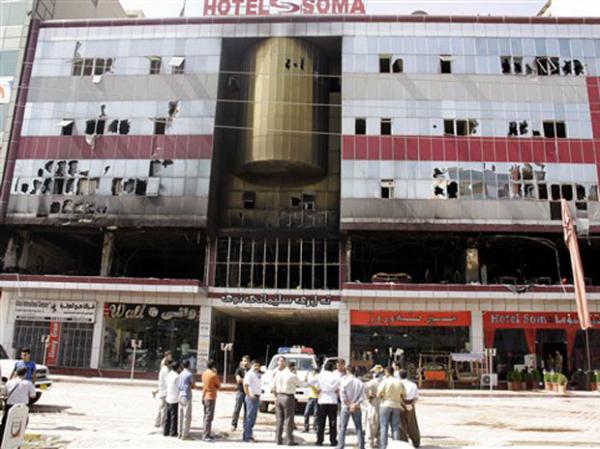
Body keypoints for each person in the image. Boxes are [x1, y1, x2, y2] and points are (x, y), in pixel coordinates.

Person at [0, 366, 36, 442]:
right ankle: (16, 443)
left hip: (10, 407)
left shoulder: (9, 382)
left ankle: (3, 442)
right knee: (21, 425)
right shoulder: (28, 383)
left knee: (6, 425)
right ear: (25, 374)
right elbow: (33, 395)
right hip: (22, 408)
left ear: (16, 373)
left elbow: (3, 393)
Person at [272, 356, 301, 446]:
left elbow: (273, 387)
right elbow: (300, 384)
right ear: (292, 367)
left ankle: (278, 439)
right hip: (288, 397)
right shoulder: (292, 375)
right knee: (289, 419)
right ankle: (289, 440)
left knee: (279, 419)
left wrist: (276, 396)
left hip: (279, 396)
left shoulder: (278, 374)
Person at [313, 360, 340, 447]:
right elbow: (341, 386)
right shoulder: (336, 376)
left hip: (322, 399)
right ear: (333, 368)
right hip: (333, 400)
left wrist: (317, 388)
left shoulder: (320, 376)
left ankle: (319, 440)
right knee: (333, 421)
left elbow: (309, 382)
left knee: (321, 422)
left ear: (324, 368)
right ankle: (333, 440)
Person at [377, 366, 405, 449]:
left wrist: (383, 397)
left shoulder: (384, 381)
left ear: (386, 372)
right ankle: (396, 446)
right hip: (396, 405)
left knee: (384, 426)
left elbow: (379, 394)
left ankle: (383, 446)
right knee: (395, 426)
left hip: (385, 404)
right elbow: (403, 394)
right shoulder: (399, 382)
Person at [338, 366, 365, 449]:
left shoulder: (344, 381)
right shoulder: (360, 382)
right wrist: (355, 404)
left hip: (346, 406)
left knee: (343, 427)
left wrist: (349, 404)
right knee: (358, 427)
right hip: (356, 407)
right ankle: (361, 446)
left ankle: (340, 446)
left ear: (347, 371)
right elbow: (362, 397)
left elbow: (342, 395)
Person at [398, 369, 420, 448]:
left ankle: (404, 442)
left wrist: (404, 404)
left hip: (401, 404)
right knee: (412, 423)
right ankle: (416, 441)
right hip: (411, 404)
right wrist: (410, 404)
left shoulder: (398, 384)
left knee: (401, 424)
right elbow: (416, 397)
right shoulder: (413, 384)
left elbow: (398, 396)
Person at [364, 365, 384, 449]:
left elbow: (365, 393)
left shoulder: (371, 383)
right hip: (383, 404)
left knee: (371, 424)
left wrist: (369, 397)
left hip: (373, 404)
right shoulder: (385, 381)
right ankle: (380, 442)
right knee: (382, 424)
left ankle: (369, 444)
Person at [202, 359, 221, 442]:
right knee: (209, 417)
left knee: (206, 416)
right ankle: (206, 435)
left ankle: (206, 433)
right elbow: (218, 385)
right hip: (211, 396)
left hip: (205, 395)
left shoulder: (204, 374)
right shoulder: (213, 375)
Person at [243, 359, 262, 442]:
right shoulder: (249, 374)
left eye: (258, 365)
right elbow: (245, 385)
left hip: (257, 397)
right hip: (251, 398)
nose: (257, 367)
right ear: (251, 365)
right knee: (249, 417)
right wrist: (249, 395)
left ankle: (248, 435)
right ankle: (247, 436)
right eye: (255, 365)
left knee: (253, 418)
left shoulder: (257, 374)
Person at [232, 355, 251, 431]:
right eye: (243, 361)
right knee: (237, 409)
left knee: (247, 410)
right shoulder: (239, 370)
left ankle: (245, 426)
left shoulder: (251, 371)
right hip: (240, 391)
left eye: (246, 361)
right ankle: (234, 424)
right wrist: (246, 380)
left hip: (248, 392)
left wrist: (244, 380)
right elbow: (238, 380)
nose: (245, 362)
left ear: (249, 362)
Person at [178, 359, 195, 440]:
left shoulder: (180, 373)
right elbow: (193, 385)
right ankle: (185, 434)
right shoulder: (189, 374)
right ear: (189, 365)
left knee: (180, 415)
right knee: (186, 416)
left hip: (180, 395)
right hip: (187, 396)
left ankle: (179, 432)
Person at [154, 351, 172, 428]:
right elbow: (167, 381)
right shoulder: (166, 370)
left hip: (162, 390)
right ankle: (162, 423)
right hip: (164, 391)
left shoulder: (164, 369)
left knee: (161, 407)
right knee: (163, 408)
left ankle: (157, 422)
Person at [164, 360, 181, 437]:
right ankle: (173, 432)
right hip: (174, 397)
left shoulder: (169, 374)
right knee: (174, 416)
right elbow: (179, 386)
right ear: (177, 368)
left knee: (167, 416)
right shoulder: (177, 376)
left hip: (168, 396)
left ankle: (166, 431)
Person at [303, 368, 320, 433]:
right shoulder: (311, 380)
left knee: (316, 413)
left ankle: (315, 427)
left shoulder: (318, 380)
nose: (313, 374)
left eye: (314, 372)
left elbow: (318, 390)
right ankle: (306, 427)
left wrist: (313, 386)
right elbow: (305, 383)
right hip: (310, 397)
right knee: (306, 413)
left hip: (316, 397)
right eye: (312, 372)